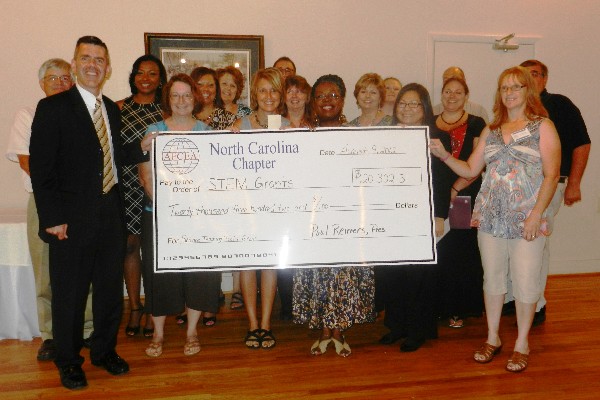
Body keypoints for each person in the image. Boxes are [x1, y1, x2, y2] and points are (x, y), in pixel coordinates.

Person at [430, 66, 561, 372]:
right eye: (504, 88)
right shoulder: (490, 129)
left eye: (516, 87)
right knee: (492, 279)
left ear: (528, 91)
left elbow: (552, 175)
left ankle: (522, 343)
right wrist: (444, 155)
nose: (509, 93)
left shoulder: (543, 126)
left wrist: (536, 214)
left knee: (526, 280)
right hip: (490, 217)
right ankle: (493, 338)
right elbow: (471, 170)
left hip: (526, 218)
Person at [30, 36, 135, 390]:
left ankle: (104, 352)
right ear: (74, 65)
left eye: (100, 59)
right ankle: (69, 360)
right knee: (69, 294)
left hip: (110, 212)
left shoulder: (113, 110)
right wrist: (52, 218)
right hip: (70, 219)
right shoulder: (53, 108)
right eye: (86, 58)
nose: (93, 64)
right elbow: (43, 171)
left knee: (108, 290)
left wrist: (147, 145)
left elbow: (113, 157)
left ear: (107, 68)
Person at [5, 58, 94, 361]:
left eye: (66, 78)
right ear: (41, 84)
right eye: (52, 78)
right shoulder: (28, 114)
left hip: (81, 202)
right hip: (44, 200)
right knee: (46, 273)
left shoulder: (85, 115)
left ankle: (87, 329)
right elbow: (27, 161)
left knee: (85, 266)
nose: (60, 83)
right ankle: (52, 335)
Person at [503, 60, 592, 326]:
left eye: (533, 75)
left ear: (544, 79)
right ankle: (513, 298)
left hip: (549, 184)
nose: (527, 80)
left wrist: (574, 182)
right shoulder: (513, 109)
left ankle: (536, 302)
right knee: (513, 239)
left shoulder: (560, 105)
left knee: (535, 241)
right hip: (514, 186)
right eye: (522, 76)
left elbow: (582, 144)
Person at [139, 73, 221, 358]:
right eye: (176, 95)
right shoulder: (155, 131)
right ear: (168, 99)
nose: (182, 101)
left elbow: (215, 177)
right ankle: (159, 335)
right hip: (161, 218)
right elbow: (146, 177)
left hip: (199, 219)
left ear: (195, 98)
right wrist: (170, 208)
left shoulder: (207, 133)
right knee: (160, 275)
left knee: (198, 275)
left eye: (187, 95)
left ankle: (192, 332)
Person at [293, 74, 375, 357]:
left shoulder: (355, 133)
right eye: (321, 96)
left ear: (343, 100)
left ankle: (339, 330)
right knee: (318, 272)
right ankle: (323, 330)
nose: (327, 101)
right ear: (312, 101)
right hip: (313, 215)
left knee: (343, 274)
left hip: (347, 214)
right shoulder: (303, 133)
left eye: (333, 95)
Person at [377, 83, 452, 352]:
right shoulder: (386, 136)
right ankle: (396, 326)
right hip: (391, 215)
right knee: (393, 273)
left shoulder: (437, 137)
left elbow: (443, 180)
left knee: (418, 275)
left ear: (425, 109)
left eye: (414, 104)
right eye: (403, 104)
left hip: (423, 215)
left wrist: (440, 215)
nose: (407, 109)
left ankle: (418, 330)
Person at [230, 68, 289, 349]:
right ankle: (252, 324)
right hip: (246, 208)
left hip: (275, 209)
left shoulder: (288, 126)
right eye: (263, 90)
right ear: (255, 94)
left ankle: (266, 324)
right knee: (247, 265)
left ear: (281, 95)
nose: (268, 96)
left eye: (274, 90)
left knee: (269, 265)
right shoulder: (239, 126)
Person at [115, 54, 167, 338]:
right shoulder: (119, 108)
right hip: (125, 186)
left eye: (152, 74)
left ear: (161, 80)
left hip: (155, 188)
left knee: (153, 250)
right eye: (140, 73)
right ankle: (134, 306)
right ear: (133, 76)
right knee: (130, 246)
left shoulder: (166, 110)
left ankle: (152, 307)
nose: (145, 79)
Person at [434, 76, 486, 328]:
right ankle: (438, 306)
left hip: (465, 196)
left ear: (466, 97)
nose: (452, 96)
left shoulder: (477, 124)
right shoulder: (430, 124)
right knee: (439, 251)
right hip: (437, 196)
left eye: (458, 92)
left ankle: (458, 309)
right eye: (447, 91)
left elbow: (478, 165)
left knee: (460, 252)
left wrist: (455, 189)